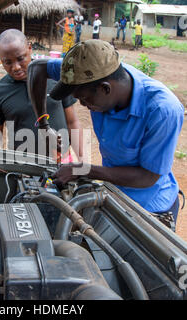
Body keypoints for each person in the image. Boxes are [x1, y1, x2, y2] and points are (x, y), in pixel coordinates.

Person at [27, 40, 184, 226]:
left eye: (84, 99)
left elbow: (148, 177)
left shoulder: (162, 111)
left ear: (105, 89)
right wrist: (44, 124)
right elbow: (36, 67)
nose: (83, 105)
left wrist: (83, 169)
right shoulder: (89, 71)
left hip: (149, 208)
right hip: (113, 194)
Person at [0, 29, 82, 160]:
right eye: (8, 62)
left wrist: (82, 161)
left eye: (20, 58)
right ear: (0, 59)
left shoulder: (56, 78)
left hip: (61, 163)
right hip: (23, 169)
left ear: (29, 48)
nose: (16, 67)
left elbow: (72, 121)